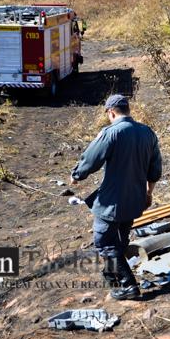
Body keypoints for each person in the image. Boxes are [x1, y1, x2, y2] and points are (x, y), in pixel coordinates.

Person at [70, 94, 162, 300]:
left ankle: (129, 286)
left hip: (111, 202)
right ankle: (113, 275)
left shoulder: (111, 133)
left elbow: (92, 159)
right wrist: (149, 193)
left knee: (104, 241)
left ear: (111, 112)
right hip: (135, 199)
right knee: (120, 239)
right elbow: (155, 169)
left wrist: (76, 175)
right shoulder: (148, 133)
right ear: (128, 110)